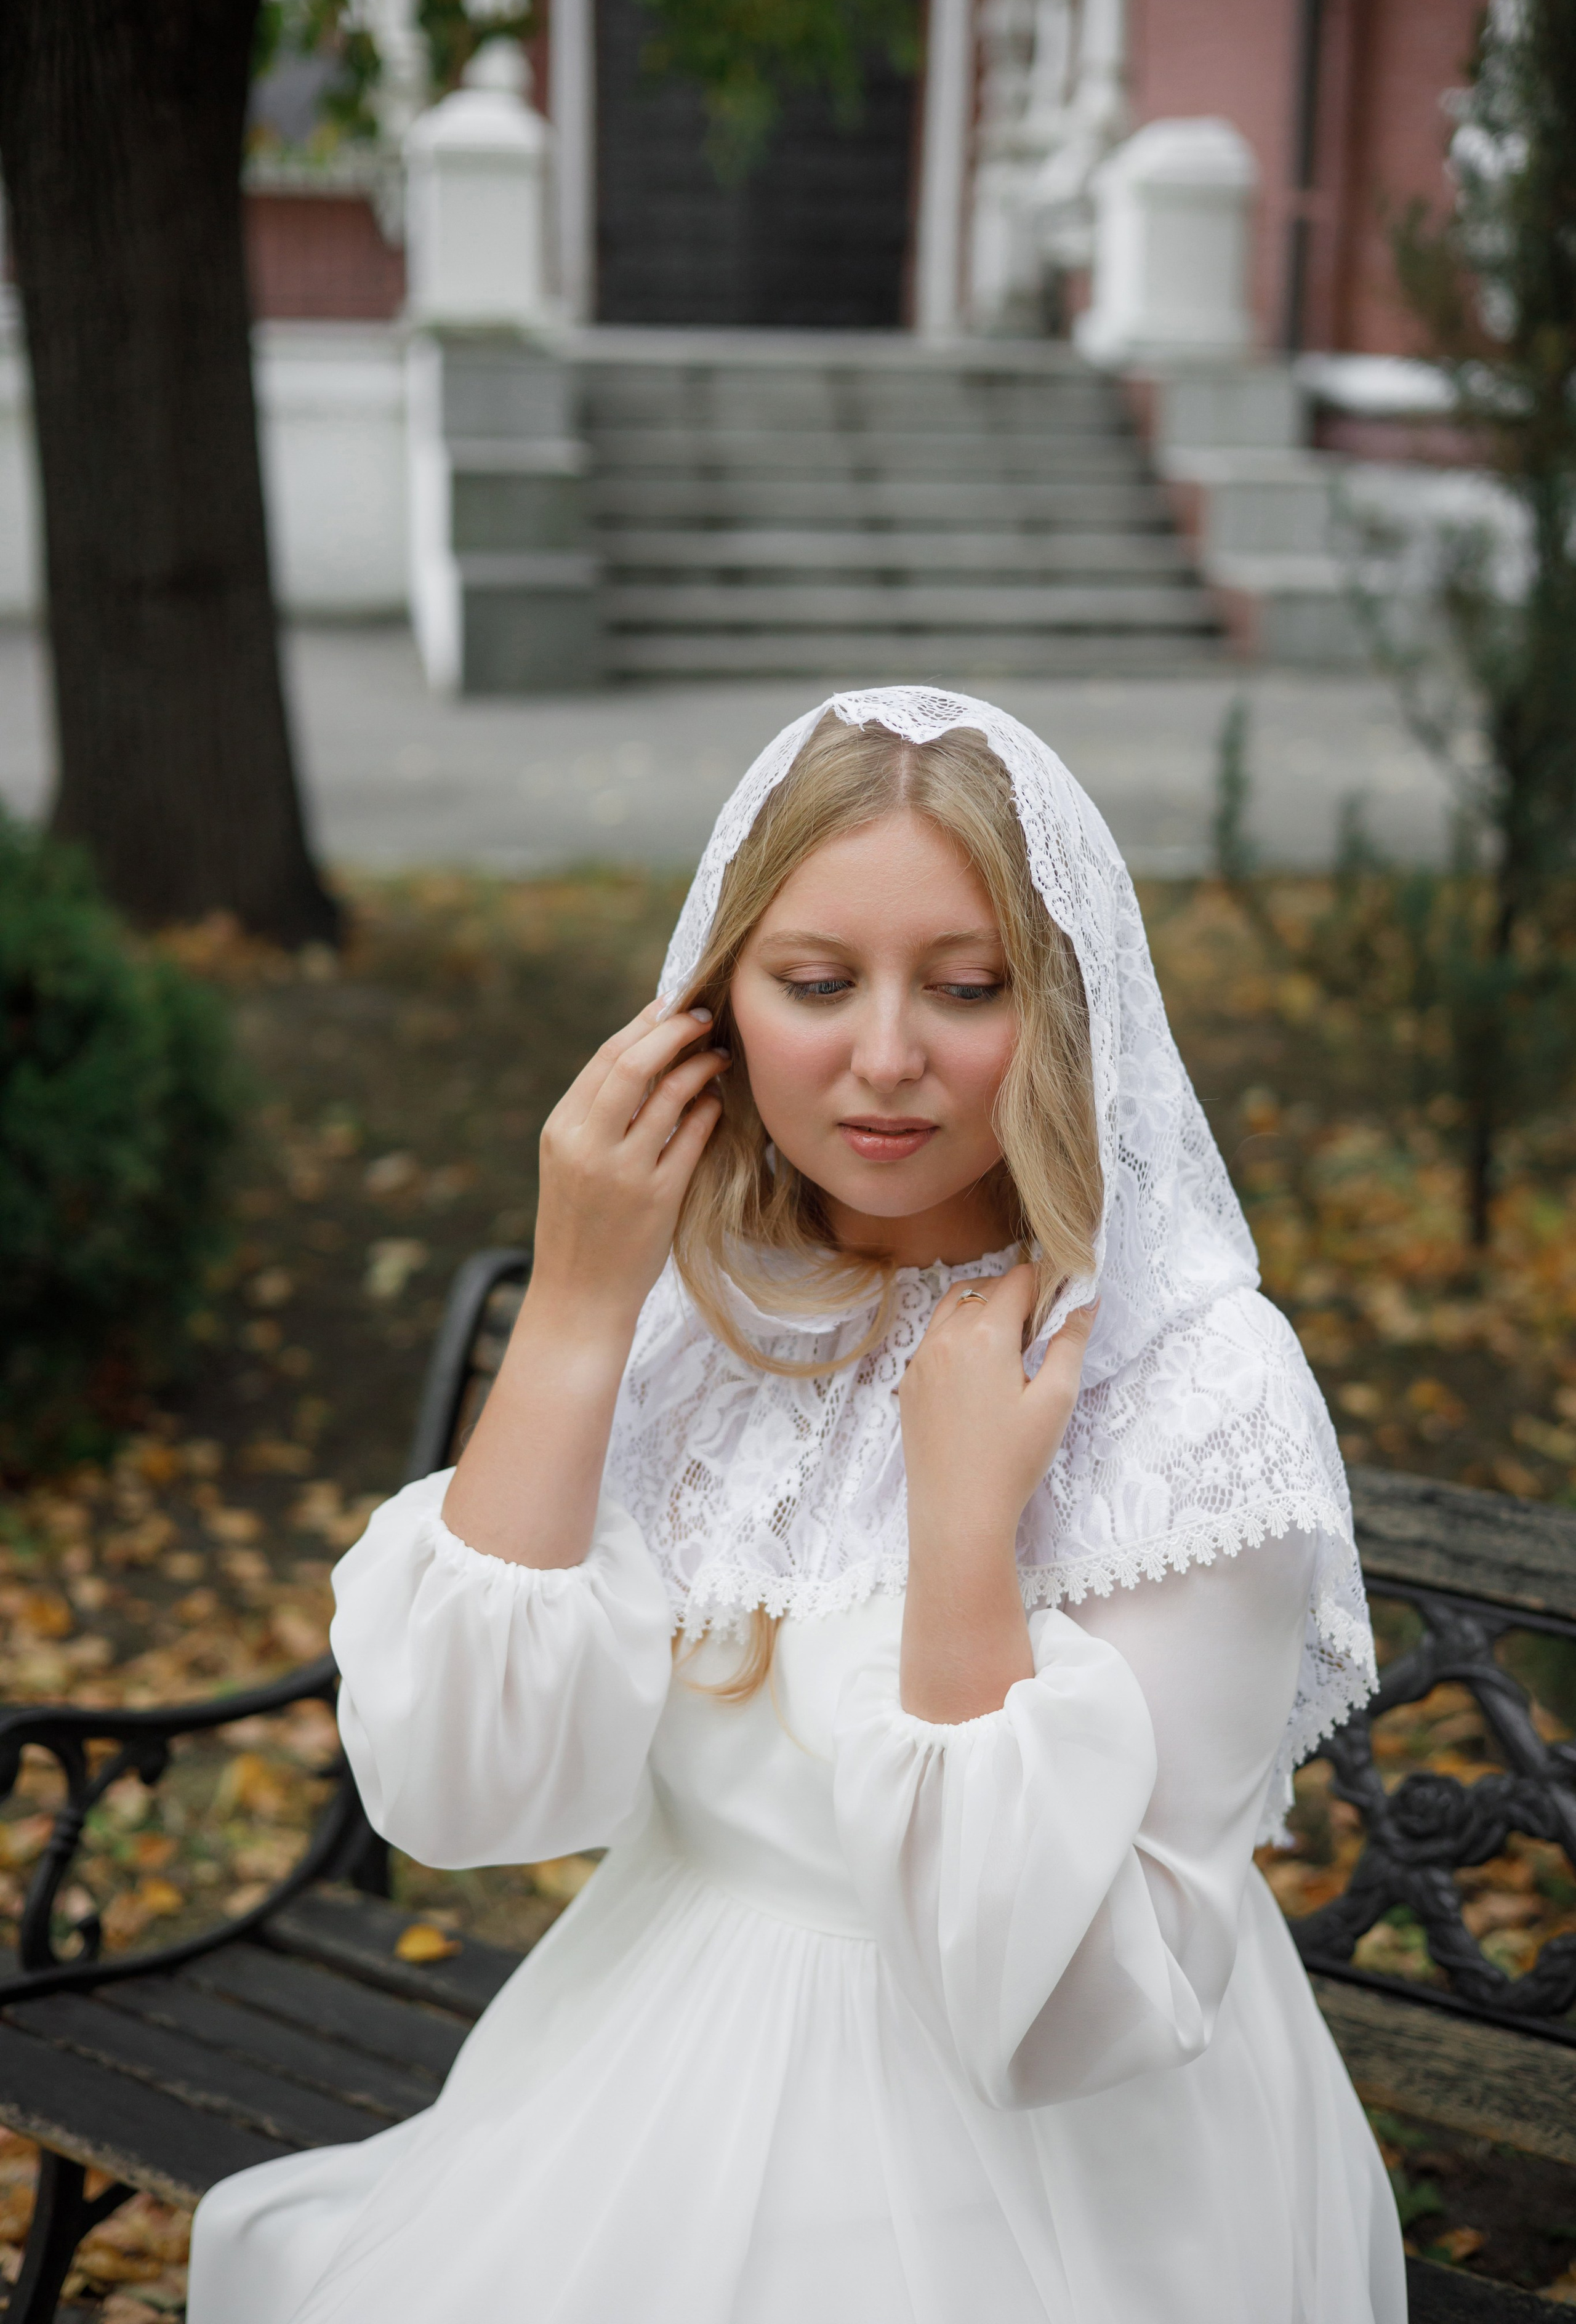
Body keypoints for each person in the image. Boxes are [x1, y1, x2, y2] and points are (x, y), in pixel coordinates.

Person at [188, 688, 1405, 2323]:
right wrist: (572, 1305)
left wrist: (963, 1535)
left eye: (967, 988)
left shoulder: (1194, 1390)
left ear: (1062, 1006)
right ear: (716, 1009)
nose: (885, 1059)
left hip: (1048, 2173)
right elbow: (465, 1794)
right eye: (817, 984)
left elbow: (1066, 2013)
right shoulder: (707, 1313)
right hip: (652, 2056)